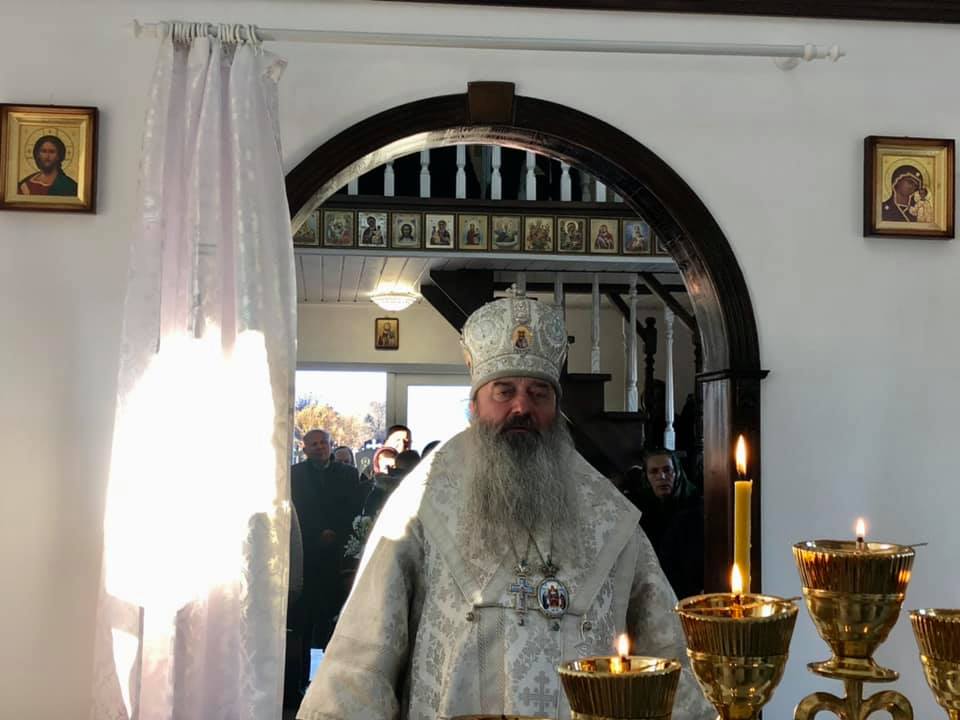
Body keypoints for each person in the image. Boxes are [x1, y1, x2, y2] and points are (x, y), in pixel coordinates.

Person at [297, 297, 712, 720]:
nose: (522, 407)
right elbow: (363, 655)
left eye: (538, 393)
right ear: (475, 405)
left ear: (557, 408)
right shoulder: (423, 501)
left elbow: (666, 652)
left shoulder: (608, 515)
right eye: (504, 391)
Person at [288, 429, 363, 700]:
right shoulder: (295, 475)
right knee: (303, 623)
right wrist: (318, 533)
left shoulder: (349, 474)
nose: (320, 447)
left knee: (336, 620)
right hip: (307, 555)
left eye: (324, 443)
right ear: (305, 448)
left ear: (331, 445)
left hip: (338, 558)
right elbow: (297, 510)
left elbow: (354, 508)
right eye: (314, 444)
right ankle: (297, 685)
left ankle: (336, 686)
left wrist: (336, 533)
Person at [625, 449, 704, 601]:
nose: (661, 477)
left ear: (677, 473)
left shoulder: (694, 504)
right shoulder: (638, 510)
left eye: (667, 470)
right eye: (654, 472)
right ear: (646, 477)